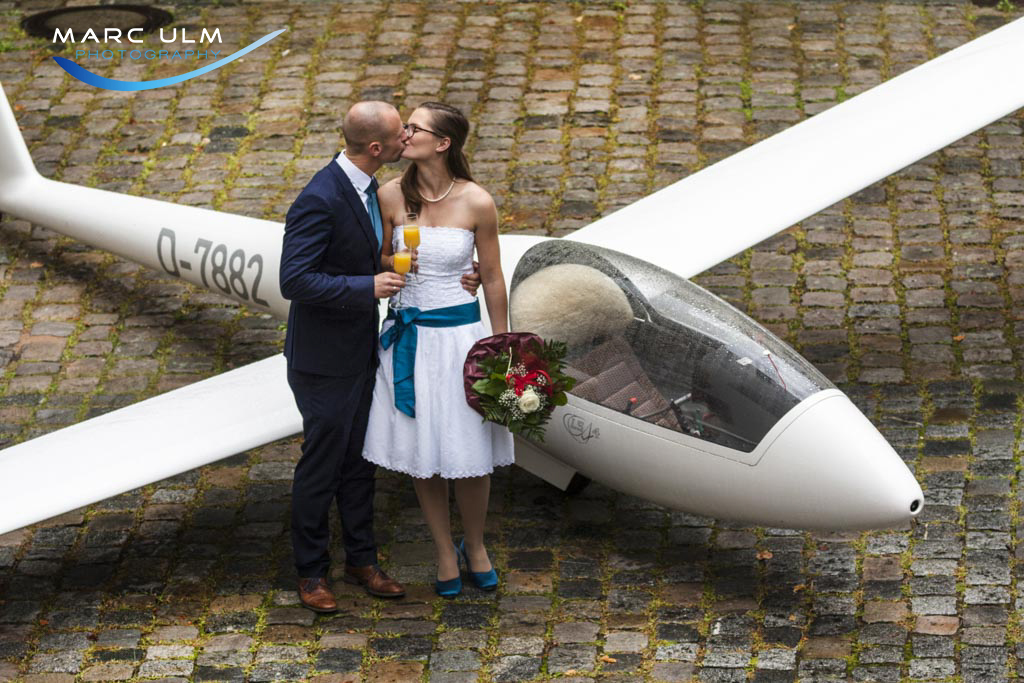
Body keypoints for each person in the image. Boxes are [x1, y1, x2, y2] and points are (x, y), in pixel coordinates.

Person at [362, 102, 514, 598]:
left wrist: (501, 343)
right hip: (410, 340)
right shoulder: (389, 195)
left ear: (443, 143)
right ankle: (444, 550)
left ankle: (476, 545)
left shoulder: (477, 202)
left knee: (471, 448)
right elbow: (376, 259)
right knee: (422, 449)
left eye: (414, 127)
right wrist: (392, 263)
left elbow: (492, 276)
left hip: (460, 341)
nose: (404, 133)